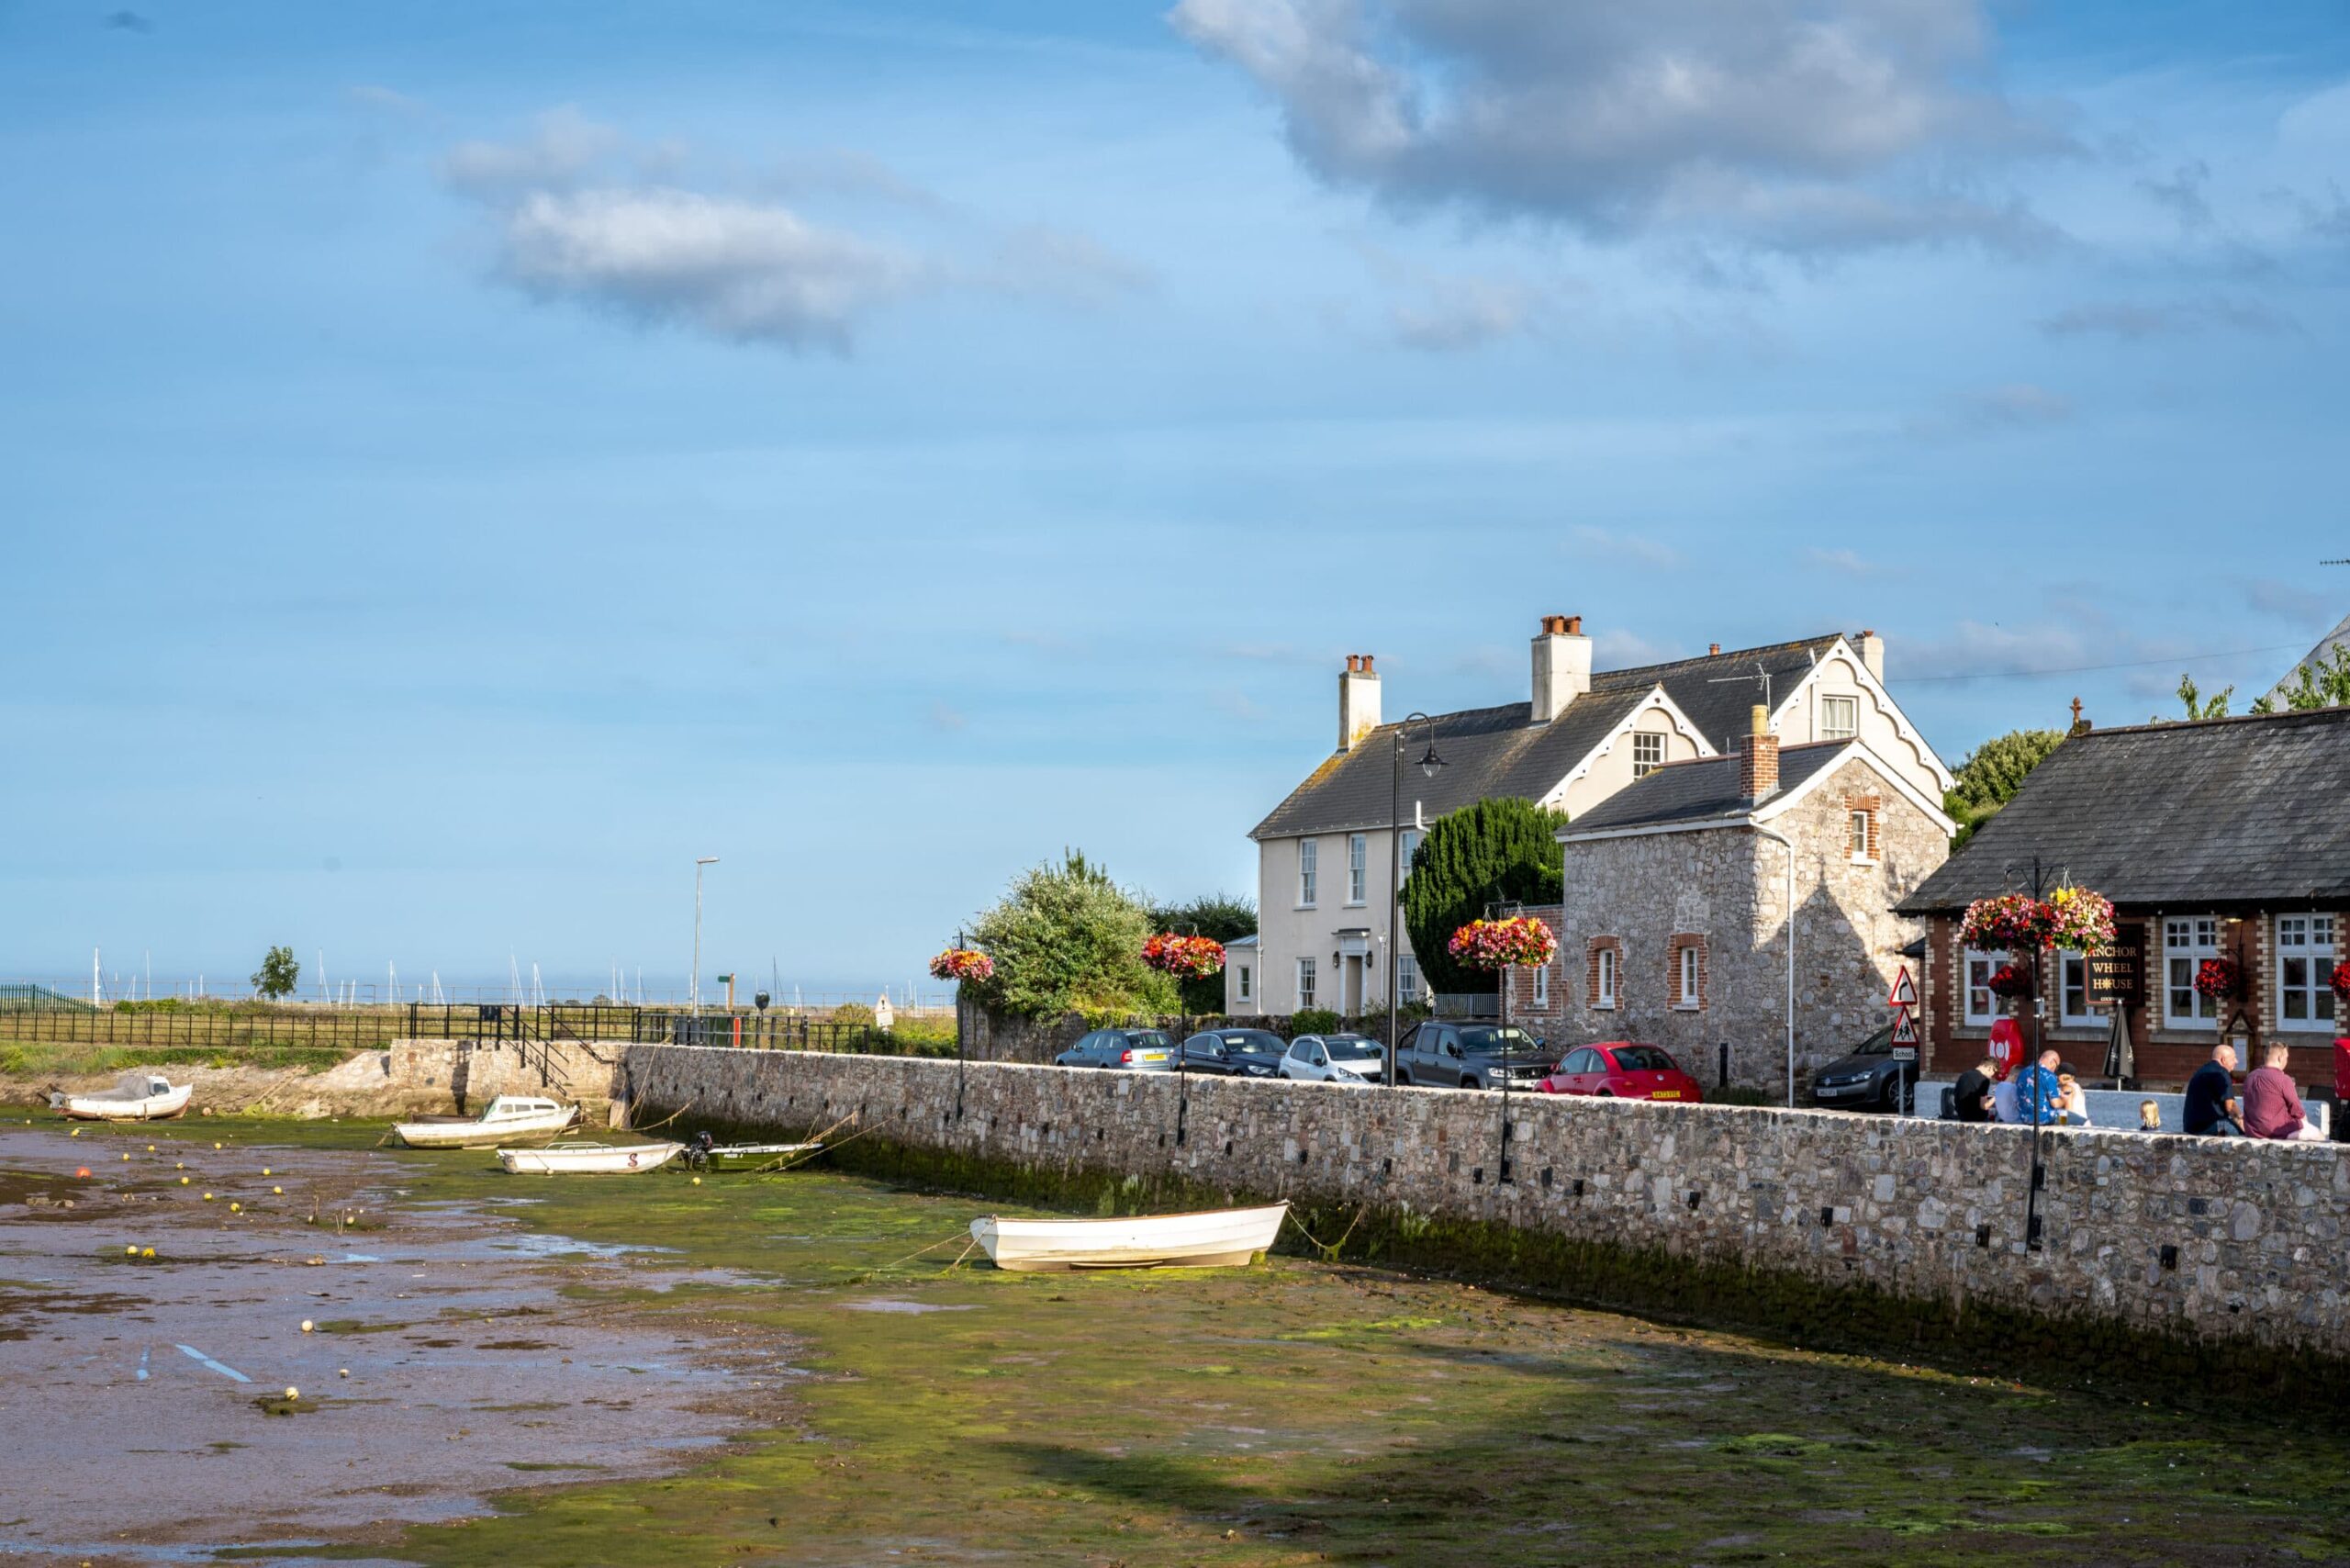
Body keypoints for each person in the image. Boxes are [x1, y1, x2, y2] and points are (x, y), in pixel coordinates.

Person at [2244, 1043, 2326, 1141]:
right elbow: (2296, 1108)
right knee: (2319, 1135)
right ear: (2280, 1058)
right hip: (2276, 1131)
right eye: (2286, 1057)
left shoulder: (2250, 1077)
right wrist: (2305, 1123)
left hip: (2252, 1131)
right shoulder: (2283, 1079)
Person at [2183, 1043, 2243, 1137]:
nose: (2236, 1061)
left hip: (2191, 1127)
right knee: (2243, 1135)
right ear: (2223, 1060)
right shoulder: (2222, 1072)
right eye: (2233, 1058)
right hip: (2210, 1126)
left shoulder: (2200, 1071)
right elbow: (2230, 1107)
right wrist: (2243, 1124)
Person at [2012, 1049, 2065, 1126]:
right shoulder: (2049, 1075)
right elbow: (2055, 1104)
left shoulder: (2023, 1072)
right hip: (2044, 1120)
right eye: (2056, 1067)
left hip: (2025, 1119)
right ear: (2053, 1061)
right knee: (2074, 1117)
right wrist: (2064, 1100)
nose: (2055, 1070)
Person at [1952, 1057, 1999, 1123]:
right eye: (1994, 1072)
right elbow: (1984, 1106)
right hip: (1977, 1120)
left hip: (1962, 1118)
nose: (1993, 1075)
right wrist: (1997, 1095)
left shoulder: (1964, 1075)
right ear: (1990, 1068)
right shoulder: (1984, 1080)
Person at [2055, 1063, 2092, 1127]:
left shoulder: (2067, 1088)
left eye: (2059, 1074)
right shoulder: (2077, 1087)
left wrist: (2062, 1126)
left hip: (2076, 1125)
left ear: (2067, 1076)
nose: (2057, 1077)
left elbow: (2067, 1111)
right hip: (2083, 1123)